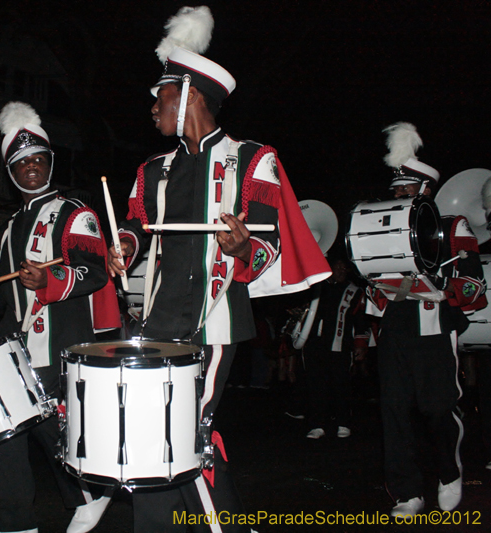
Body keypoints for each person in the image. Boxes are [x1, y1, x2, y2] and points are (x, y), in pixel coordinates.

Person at [106, 6, 330, 532]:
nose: (152, 107)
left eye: (159, 97)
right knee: (158, 434)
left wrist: (239, 246)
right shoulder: (151, 170)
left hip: (216, 321)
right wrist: (122, 246)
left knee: (182, 431)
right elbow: (138, 226)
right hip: (157, 322)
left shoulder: (253, 160)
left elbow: (268, 246)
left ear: (190, 96)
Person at [0, 101, 121, 533]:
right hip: (16, 346)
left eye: (38, 160)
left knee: (51, 428)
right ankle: (14, 522)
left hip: (64, 340)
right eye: (21, 163)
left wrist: (49, 281)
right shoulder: (7, 229)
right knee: (7, 431)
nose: (31, 167)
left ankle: (89, 494)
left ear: (50, 163)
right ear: (11, 172)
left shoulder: (76, 213)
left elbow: (92, 270)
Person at [364, 122, 487, 517]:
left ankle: (449, 474)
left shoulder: (453, 227)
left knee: (437, 408)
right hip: (396, 324)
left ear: (425, 190)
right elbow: (370, 272)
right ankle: (406, 492)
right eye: (396, 188)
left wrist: (442, 290)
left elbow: (473, 283)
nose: (399, 193)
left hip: (435, 323)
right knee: (395, 409)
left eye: (407, 188)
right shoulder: (382, 223)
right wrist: (376, 288)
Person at [302, 254, 369, 439]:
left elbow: (360, 319)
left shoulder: (354, 291)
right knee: (316, 385)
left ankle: (343, 423)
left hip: (341, 346)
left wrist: (360, 344)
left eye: (344, 268)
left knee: (341, 385)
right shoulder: (316, 287)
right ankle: (317, 425)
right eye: (338, 267)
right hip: (315, 345)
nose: (341, 270)